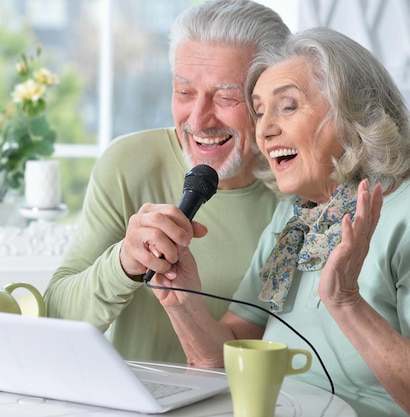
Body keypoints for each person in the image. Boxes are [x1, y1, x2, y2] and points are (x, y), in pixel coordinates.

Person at [151, 27, 410, 416]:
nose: (265, 130)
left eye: (287, 106)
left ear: (356, 111)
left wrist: (346, 301)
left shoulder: (403, 213)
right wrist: (181, 301)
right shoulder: (292, 219)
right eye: (258, 111)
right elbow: (221, 361)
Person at [44, 0, 290, 363]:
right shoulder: (129, 164)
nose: (199, 119)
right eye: (185, 92)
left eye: (226, 97)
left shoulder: (299, 190)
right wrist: (124, 263)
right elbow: (56, 317)